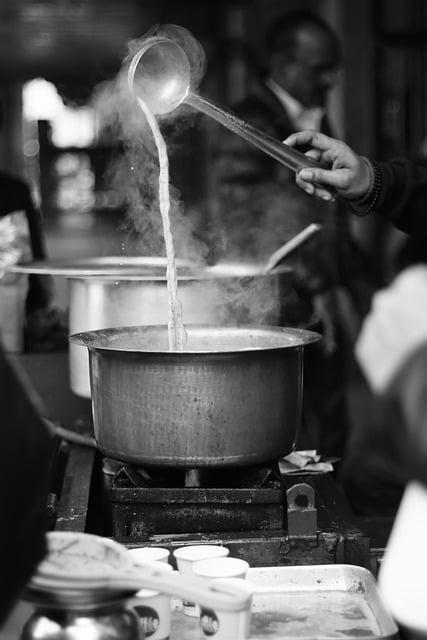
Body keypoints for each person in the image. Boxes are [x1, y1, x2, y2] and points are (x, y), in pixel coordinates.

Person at [216, 11, 372, 459]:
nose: (331, 79)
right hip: (277, 297)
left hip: (319, 289)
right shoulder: (250, 120)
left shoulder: (312, 114)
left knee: (330, 411)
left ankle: (332, 494)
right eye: (320, 67)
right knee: (293, 418)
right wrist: (320, 285)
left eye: (334, 67)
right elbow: (247, 216)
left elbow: (324, 208)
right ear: (283, 65)